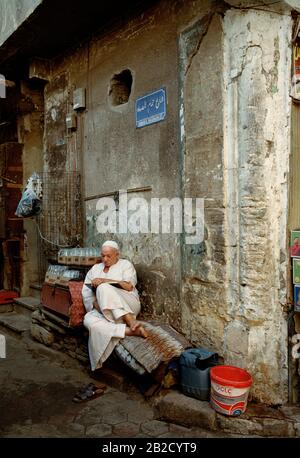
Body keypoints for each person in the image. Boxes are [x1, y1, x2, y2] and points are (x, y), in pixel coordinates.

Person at [82, 240, 148, 371]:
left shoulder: (125, 265)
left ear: (117, 254)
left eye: (109, 256)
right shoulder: (95, 269)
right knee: (88, 321)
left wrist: (105, 281)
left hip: (129, 303)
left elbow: (129, 286)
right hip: (104, 309)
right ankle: (129, 331)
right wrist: (97, 305)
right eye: (103, 256)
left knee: (103, 288)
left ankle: (130, 320)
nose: (105, 259)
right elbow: (87, 294)